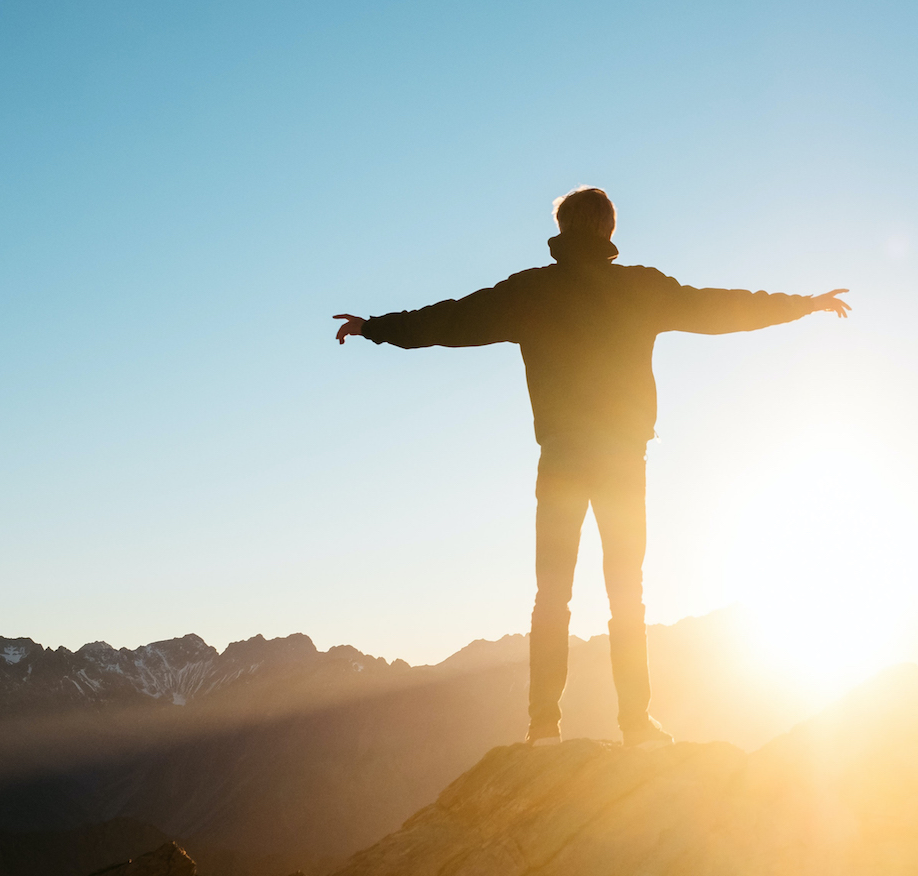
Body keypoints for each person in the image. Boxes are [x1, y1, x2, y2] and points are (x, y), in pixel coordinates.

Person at [335, 187, 849, 749]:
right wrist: (805, 303)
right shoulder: (640, 289)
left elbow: (451, 320)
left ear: (562, 227)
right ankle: (636, 726)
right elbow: (724, 307)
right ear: (608, 230)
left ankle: (542, 727)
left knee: (552, 593)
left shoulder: (532, 291)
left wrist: (374, 327)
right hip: (624, 458)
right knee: (627, 591)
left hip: (561, 457)